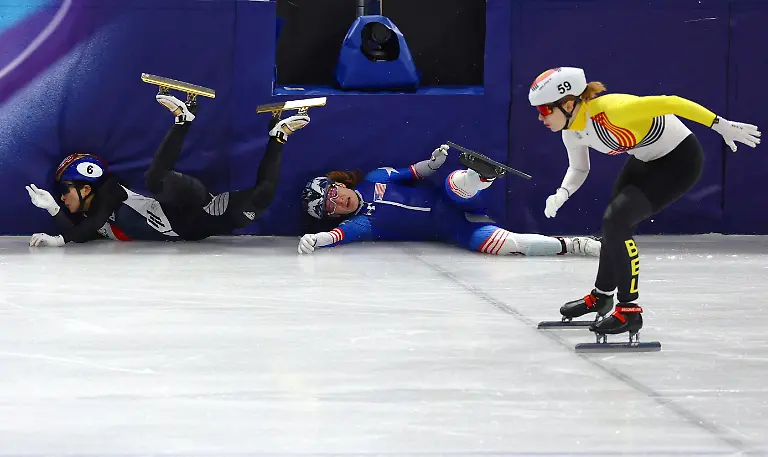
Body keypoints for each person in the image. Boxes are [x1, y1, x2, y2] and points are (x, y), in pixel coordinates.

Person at [528, 67, 761, 338]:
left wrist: (720, 125)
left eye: (545, 110)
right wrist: (562, 194)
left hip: (679, 161)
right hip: (645, 158)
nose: (540, 117)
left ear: (568, 104)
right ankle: (602, 297)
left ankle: (629, 311)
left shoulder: (613, 110)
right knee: (612, 223)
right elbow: (579, 169)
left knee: (616, 220)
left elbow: (671, 102)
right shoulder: (571, 130)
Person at [26, 90, 309, 246]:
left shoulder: (109, 192)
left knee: (155, 180)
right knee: (263, 197)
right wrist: (55, 215)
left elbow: (85, 230)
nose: (62, 198)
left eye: (65, 192)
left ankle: (183, 120)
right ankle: (279, 135)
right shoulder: (85, 216)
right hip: (199, 225)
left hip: (185, 204)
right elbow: (80, 234)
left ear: (86, 187)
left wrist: (57, 226)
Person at [297, 144, 601, 257]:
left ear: (337, 183)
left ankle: (482, 177)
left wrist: (435, 161)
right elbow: (337, 236)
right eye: (330, 208)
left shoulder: (377, 177)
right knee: (509, 245)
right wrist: (317, 239)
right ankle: (574, 245)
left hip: (451, 198)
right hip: (456, 229)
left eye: (333, 194)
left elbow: (417, 171)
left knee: (454, 183)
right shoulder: (361, 223)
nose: (338, 204)